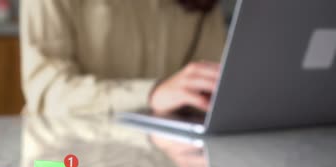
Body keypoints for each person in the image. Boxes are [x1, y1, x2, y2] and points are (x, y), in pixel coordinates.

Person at [20, 0, 225, 116]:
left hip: (168, 159)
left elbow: (213, 87)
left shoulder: (203, 5)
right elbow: (47, 91)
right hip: (63, 158)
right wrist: (151, 94)